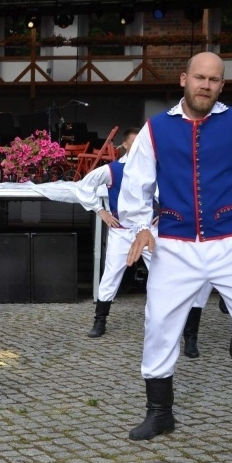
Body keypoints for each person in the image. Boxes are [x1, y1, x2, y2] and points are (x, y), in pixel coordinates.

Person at [118, 52, 232, 441]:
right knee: (159, 326)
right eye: (199, 77)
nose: (205, 85)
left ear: (222, 85)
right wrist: (141, 226)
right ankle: (160, 413)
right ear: (184, 79)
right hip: (174, 244)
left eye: (214, 80)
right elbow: (136, 183)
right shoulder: (155, 129)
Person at [76, 138, 210, 340]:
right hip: (122, 231)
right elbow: (84, 186)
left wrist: (164, 211)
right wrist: (100, 210)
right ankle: (100, 320)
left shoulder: (155, 168)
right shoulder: (112, 170)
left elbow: (174, 192)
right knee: (111, 274)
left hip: (149, 230)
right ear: (125, 145)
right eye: (134, 142)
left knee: (163, 272)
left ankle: (167, 320)